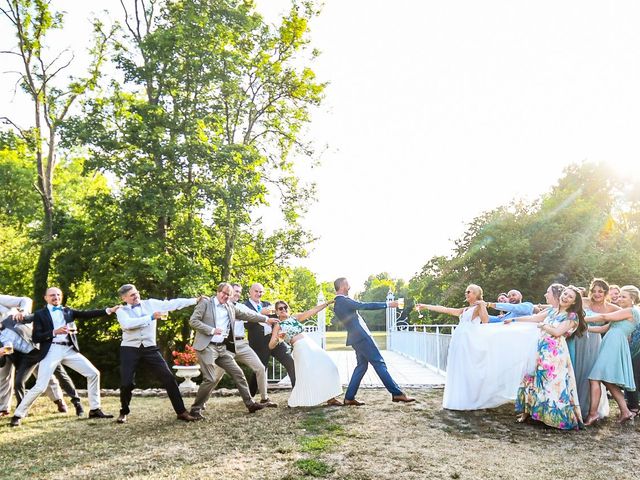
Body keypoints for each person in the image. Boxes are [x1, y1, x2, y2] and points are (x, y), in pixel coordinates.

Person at [9, 287, 119, 427]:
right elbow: (36, 338)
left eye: (58, 295)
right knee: (41, 386)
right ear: (46, 298)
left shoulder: (68, 311)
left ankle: (95, 410)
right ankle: (18, 415)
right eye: (52, 295)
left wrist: (109, 310)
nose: (56, 297)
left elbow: (87, 314)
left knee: (93, 373)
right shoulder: (40, 314)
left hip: (68, 349)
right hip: (51, 349)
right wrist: (54, 331)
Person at [417, 284, 539, 410]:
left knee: (470, 368)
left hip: (469, 341)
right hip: (459, 340)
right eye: (466, 291)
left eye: (469, 291)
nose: (466, 293)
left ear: (476, 294)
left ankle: (471, 398)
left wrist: (482, 305)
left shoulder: (481, 307)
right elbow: (446, 309)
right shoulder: (465, 310)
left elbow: (485, 320)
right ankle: (458, 399)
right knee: (458, 367)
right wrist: (426, 306)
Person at [114, 284, 204, 424]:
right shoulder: (121, 310)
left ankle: (181, 412)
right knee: (127, 383)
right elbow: (127, 324)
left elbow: (172, 304)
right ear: (124, 298)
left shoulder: (151, 304)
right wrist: (150, 317)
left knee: (169, 378)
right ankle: (123, 412)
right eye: (132, 295)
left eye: (136, 293)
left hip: (150, 348)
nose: (136, 296)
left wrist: (194, 300)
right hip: (129, 348)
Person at [189, 282, 278, 417]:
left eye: (228, 295)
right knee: (212, 378)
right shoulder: (206, 303)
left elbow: (249, 315)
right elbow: (193, 321)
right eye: (224, 293)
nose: (225, 296)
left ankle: (250, 404)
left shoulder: (230, 307)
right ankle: (196, 409)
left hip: (223, 348)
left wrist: (266, 319)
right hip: (207, 346)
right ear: (218, 292)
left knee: (238, 373)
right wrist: (212, 330)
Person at [333, 277, 415, 405]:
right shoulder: (343, 301)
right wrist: (388, 304)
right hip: (362, 338)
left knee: (361, 366)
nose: (350, 287)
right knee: (379, 363)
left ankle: (349, 398)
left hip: (356, 338)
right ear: (343, 286)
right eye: (348, 284)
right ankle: (397, 393)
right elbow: (365, 305)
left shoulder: (338, 303)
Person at [514, 285, 585, 430]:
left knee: (551, 382)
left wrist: (542, 325)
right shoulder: (552, 310)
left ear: (573, 302)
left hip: (554, 353)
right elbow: (533, 318)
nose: (566, 297)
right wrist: (514, 320)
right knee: (533, 378)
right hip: (540, 348)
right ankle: (529, 412)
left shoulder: (572, 316)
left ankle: (553, 417)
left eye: (570, 297)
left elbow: (558, 332)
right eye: (565, 294)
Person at [2, 308, 85, 417]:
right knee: (18, 383)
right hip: (28, 358)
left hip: (42, 349)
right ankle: (22, 409)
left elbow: (34, 317)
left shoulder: (10, 320)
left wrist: (23, 313)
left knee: (60, 375)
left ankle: (77, 403)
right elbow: (1, 363)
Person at [210, 283, 276, 408]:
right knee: (216, 376)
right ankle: (201, 404)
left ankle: (264, 399)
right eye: (235, 291)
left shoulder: (241, 307)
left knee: (260, 368)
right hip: (226, 345)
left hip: (241, 344)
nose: (237, 294)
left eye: (239, 292)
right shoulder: (217, 307)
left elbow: (254, 316)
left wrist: (267, 319)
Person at [584, 285, 640, 425]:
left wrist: (579, 318)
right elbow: (602, 328)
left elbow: (604, 316)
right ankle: (625, 411)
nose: (619, 298)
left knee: (595, 377)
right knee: (606, 379)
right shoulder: (623, 313)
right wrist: (581, 327)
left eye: (623, 296)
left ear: (632, 299)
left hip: (615, 344)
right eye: (619, 296)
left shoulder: (631, 311)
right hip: (610, 341)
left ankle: (592, 414)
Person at [268, 299, 341, 407]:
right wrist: (279, 338)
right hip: (300, 348)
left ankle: (331, 397)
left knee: (329, 365)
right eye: (280, 308)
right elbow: (271, 345)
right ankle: (302, 400)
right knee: (307, 375)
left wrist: (327, 303)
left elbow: (312, 311)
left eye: (285, 307)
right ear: (277, 312)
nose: (283, 310)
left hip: (311, 344)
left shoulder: (295, 318)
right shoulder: (278, 326)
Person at [570, 278, 617, 419]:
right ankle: (571, 406)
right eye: (594, 291)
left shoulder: (610, 308)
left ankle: (587, 408)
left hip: (594, 341)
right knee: (574, 368)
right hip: (577, 339)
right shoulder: (583, 301)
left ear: (606, 293)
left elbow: (629, 313)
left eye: (600, 291)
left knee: (589, 372)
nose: (596, 294)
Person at [244, 283, 296, 395]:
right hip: (259, 343)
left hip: (275, 339)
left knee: (290, 362)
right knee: (260, 369)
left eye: (261, 292)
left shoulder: (267, 304)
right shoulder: (245, 306)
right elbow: (246, 325)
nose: (259, 294)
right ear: (250, 292)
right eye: (256, 291)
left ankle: (297, 391)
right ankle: (250, 398)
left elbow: (278, 317)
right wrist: (260, 314)